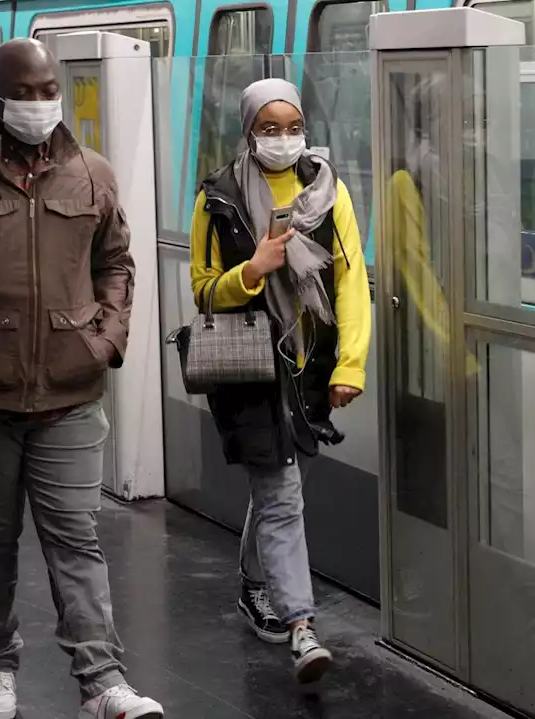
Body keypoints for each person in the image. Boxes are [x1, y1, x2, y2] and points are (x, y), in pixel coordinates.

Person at [0, 38, 162, 719]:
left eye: (50, 91)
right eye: (26, 93)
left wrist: (106, 339)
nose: (41, 104)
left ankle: (102, 681)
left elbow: (118, 264)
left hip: (72, 396)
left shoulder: (92, 173)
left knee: (78, 537)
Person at [188, 78, 371, 683]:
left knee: (278, 490)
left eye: (292, 126)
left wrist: (350, 364)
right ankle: (300, 626)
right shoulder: (217, 198)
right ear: (248, 131)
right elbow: (204, 291)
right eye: (270, 128)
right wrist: (253, 270)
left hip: (310, 367)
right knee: (283, 495)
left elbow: (349, 279)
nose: (284, 138)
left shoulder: (326, 187)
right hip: (250, 369)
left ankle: (253, 582)